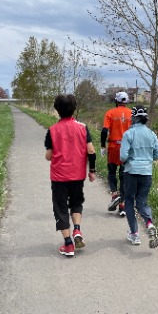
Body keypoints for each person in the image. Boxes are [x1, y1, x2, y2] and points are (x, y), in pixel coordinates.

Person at [44, 94, 96, 257]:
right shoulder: (82, 127)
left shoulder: (52, 130)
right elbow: (91, 151)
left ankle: (68, 244)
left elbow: (48, 156)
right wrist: (92, 171)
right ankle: (77, 230)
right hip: (77, 175)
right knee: (76, 203)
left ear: (57, 110)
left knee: (60, 208)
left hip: (59, 176)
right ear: (74, 109)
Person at [120, 105, 158, 247]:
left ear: (135, 118)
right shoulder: (151, 134)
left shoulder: (128, 134)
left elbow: (123, 156)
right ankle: (149, 223)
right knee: (142, 202)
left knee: (129, 200)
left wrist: (130, 160)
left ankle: (134, 234)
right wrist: (146, 159)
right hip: (146, 172)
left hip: (131, 171)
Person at [100, 91, 132, 216]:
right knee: (124, 176)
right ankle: (122, 206)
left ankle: (114, 194)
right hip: (127, 148)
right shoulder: (132, 114)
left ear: (116, 101)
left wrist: (103, 146)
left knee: (112, 172)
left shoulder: (110, 113)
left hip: (113, 146)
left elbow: (104, 131)